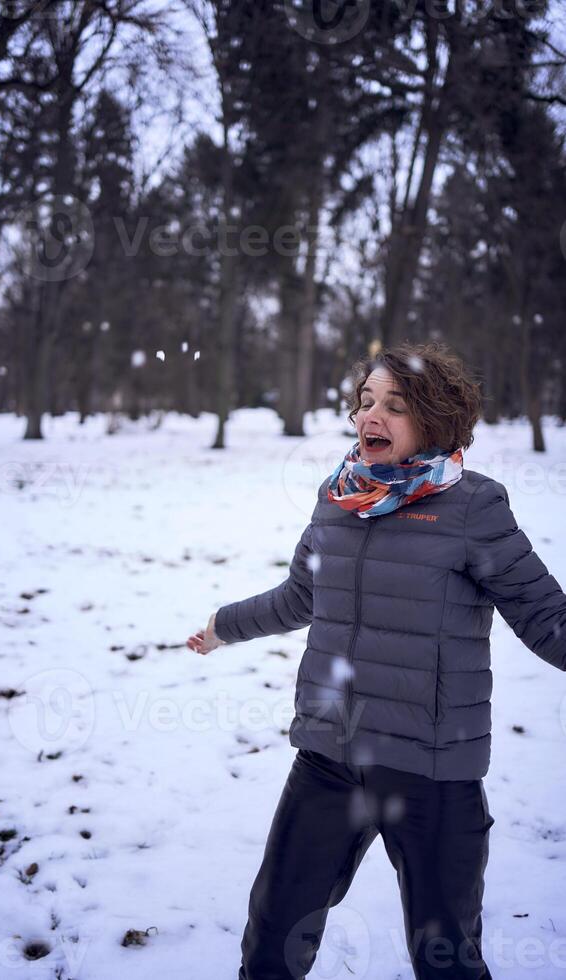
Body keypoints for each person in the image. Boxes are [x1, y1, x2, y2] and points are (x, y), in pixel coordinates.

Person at [186, 341, 566, 980]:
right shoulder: (338, 497)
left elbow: (544, 616)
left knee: (445, 956)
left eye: (395, 405)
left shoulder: (474, 506)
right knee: (273, 932)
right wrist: (224, 626)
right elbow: (302, 596)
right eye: (366, 401)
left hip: (432, 768)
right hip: (330, 756)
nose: (372, 416)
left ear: (434, 420)